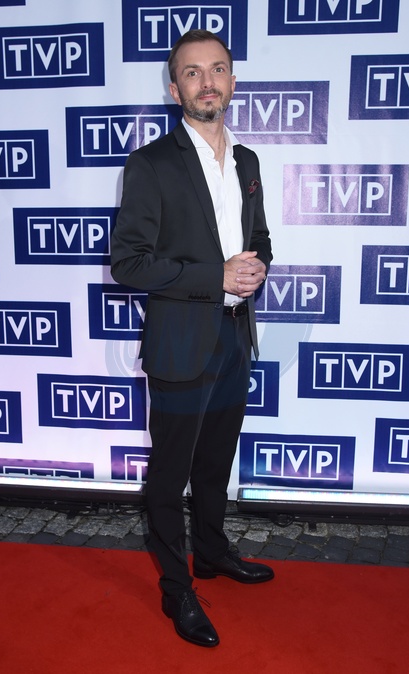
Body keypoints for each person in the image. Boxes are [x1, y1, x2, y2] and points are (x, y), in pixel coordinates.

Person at [111, 29, 273, 648]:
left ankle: (210, 551)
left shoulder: (248, 162)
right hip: (180, 344)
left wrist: (257, 269)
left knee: (215, 463)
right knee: (170, 474)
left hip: (235, 338)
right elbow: (128, 264)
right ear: (175, 89)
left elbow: (259, 241)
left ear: (232, 81)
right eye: (193, 72)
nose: (208, 82)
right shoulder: (151, 163)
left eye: (218, 69)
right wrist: (216, 276)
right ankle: (177, 588)